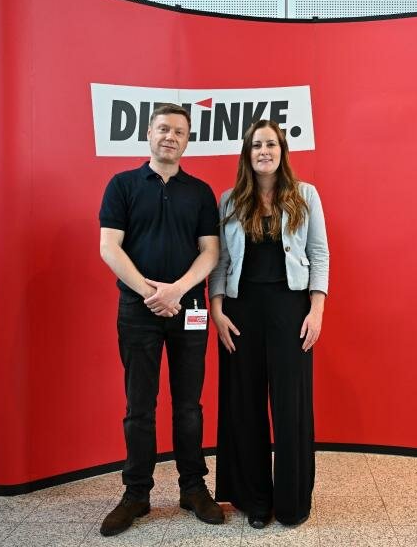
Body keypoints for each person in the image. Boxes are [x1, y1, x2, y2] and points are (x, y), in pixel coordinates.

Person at [98, 103, 223, 536]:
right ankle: (136, 494)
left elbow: (211, 251)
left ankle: (192, 488)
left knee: (189, 406)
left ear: (188, 140)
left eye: (179, 132)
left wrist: (176, 291)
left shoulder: (201, 192)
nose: (170, 136)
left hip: (189, 308)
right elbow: (110, 248)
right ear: (148, 134)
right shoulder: (123, 185)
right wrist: (151, 293)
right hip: (138, 311)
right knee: (139, 408)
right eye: (163, 129)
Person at [209, 119, 329, 529]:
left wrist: (317, 309)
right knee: (245, 405)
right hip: (241, 313)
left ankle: (293, 503)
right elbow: (220, 262)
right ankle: (255, 500)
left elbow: (319, 254)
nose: (264, 151)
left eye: (271, 144)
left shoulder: (305, 195)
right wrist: (217, 309)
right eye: (257, 145)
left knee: (291, 406)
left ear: (282, 152)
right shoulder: (228, 200)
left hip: (290, 311)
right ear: (247, 153)